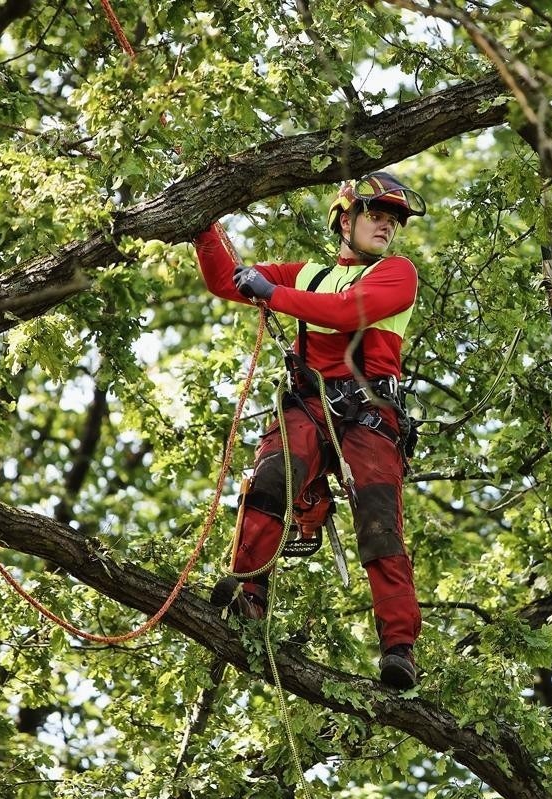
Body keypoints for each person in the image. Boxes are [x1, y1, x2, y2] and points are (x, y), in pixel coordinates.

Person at [193, 172, 427, 689]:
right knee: (271, 479)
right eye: (376, 215)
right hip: (307, 404)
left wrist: (271, 293)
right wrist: (201, 225)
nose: (387, 226)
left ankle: (398, 648)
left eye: (393, 220)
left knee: (379, 523)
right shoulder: (307, 276)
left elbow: (348, 313)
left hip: (368, 412)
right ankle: (249, 592)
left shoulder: (397, 273)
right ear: (345, 220)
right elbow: (223, 278)